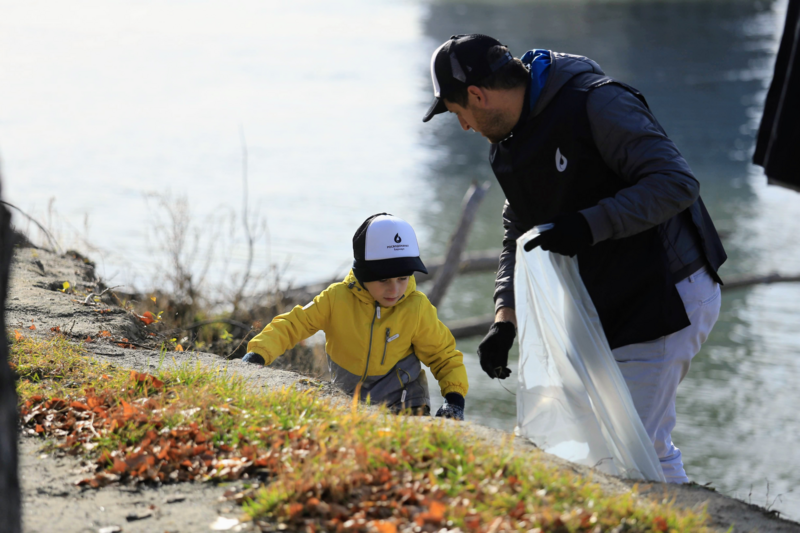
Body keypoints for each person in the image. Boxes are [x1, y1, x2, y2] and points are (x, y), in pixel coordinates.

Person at [422, 34, 727, 482]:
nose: (464, 126)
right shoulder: (507, 145)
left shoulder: (596, 103)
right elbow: (517, 232)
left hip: (667, 293)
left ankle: (670, 510)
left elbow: (676, 183)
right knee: (596, 445)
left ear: (476, 95)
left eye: (457, 113)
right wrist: (505, 319)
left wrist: (588, 224)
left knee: (636, 454)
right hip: (605, 301)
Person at [241, 213, 468, 420]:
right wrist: (258, 354)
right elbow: (293, 324)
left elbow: (443, 355)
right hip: (349, 397)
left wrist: (454, 399)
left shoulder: (417, 307)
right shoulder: (336, 298)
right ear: (363, 273)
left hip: (406, 401)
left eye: (402, 278)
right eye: (384, 280)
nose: (395, 289)